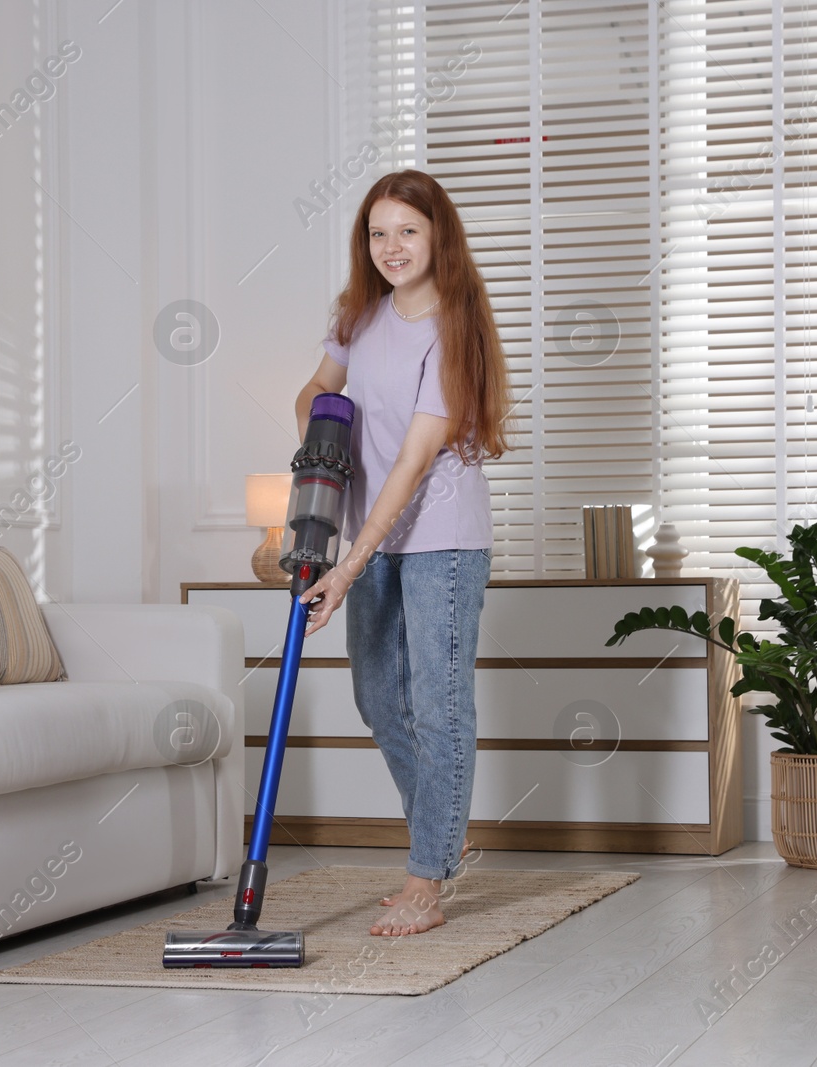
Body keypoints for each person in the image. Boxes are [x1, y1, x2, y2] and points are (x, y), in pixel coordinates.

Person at [293, 169, 511, 936]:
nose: (391, 246)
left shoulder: (453, 326)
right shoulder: (359, 315)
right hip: (371, 533)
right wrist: (320, 447)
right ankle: (441, 837)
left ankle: (427, 875)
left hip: (440, 539)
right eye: (378, 232)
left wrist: (347, 569)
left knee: (440, 704)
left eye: (407, 231)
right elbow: (316, 390)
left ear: (438, 236)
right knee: (379, 696)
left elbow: (416, 460)